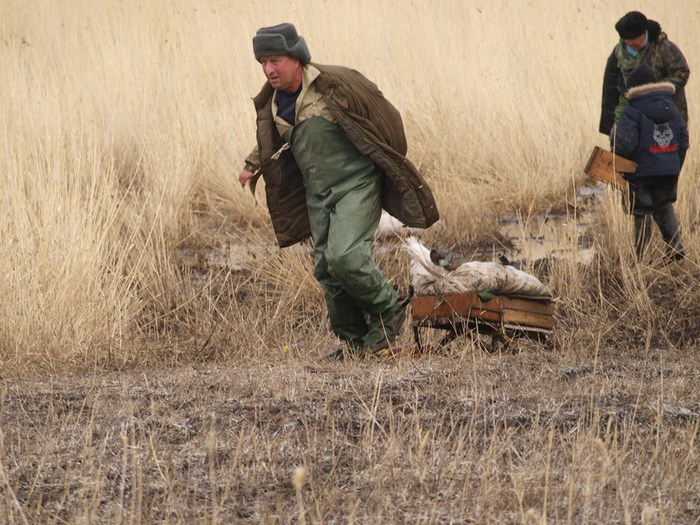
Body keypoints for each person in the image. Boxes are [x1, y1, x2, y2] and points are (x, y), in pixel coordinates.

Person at [238, 23, 439, 358]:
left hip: (356, 184)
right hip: (317, 192)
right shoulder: (272, 102)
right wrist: (251, 164)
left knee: (345, 256)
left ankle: (389, 307)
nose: (268, 69)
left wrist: (390, 161)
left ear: (296, 58)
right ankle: (356, 341)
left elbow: (384, 115)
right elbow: (270, 140)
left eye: (275, 60)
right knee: (325, 269)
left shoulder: (334, 85)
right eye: (263, 62)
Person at [613, 63, 689, 261]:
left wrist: (622, 164)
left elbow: (625, 144)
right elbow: (683, 140)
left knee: (642, 211)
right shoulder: (672, 108)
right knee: (664, 205)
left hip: (642, 172)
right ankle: (675, 246)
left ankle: (640, 256)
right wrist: (675, 165)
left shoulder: (631, 111)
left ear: (633, 89)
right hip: (669, 171)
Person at [599, 11, 690, 136]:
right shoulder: (618, 52)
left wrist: (656, 89)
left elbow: (682, 72)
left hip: (665, 115)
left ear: (644, 33)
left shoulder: (663, 47)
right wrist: (610, 124)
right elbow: (610, 87)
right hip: (632, 116)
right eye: (626, 40)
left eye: (633, 39)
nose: (630, 43)